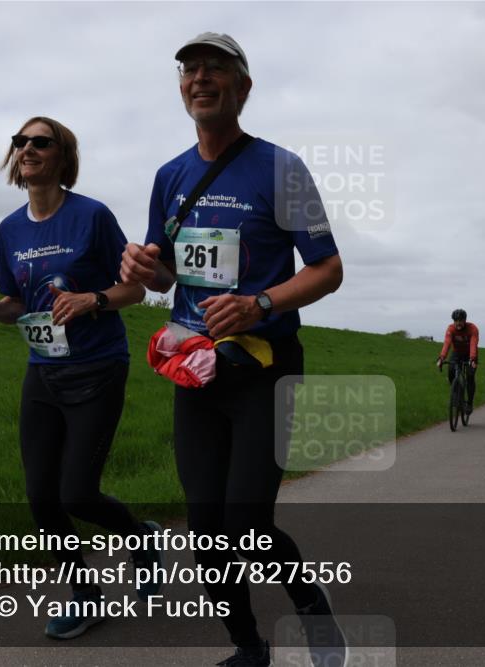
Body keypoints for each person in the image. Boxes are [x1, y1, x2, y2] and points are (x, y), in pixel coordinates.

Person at [119, 33, 346, 667]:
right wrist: (142, 268)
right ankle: (249, 647)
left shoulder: (283, 167)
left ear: (242, 87)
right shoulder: (169, 176)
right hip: (195, 370)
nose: (199, 78)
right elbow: (165, 277)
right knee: (206, 530)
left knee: (246, 523)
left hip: (263, 369)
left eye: (215, 69)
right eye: (190, 69)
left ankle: (311, 609)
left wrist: (261, 304)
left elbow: (327, 270)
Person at [0, 116, 162, 640]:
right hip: (43, 373)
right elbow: (17, 306)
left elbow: (136, 291)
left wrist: (92, 299)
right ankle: (86, 596)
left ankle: (142, 538)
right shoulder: (10, 228)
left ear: (62, 156)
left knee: (77, 494)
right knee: (41, 500)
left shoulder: (92, 216)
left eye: (40, 142)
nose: (27, 149)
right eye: (20, 142)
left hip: (97, 368)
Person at [436, 309, 479, 415]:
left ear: (465, 320)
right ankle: (458, 396)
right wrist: (441, 358)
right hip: (457, 353)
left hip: (470, 354)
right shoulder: (451, 329)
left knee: (470, 377)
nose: (458, 323)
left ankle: (469, 403)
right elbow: (447, 343)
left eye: (460, 320)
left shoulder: (472, 328)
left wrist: (472, 358)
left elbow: (473, 343)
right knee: (451, 372)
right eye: (456, 320)